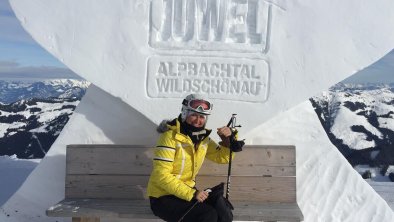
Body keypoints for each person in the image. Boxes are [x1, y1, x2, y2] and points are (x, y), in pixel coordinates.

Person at [147, 94, 235, 222]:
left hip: (186, 194)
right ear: (184, 113)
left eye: (201, 117)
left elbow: (223, 157)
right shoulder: (169, 137)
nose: (197, 120)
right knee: (207, 215)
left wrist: (228, 140)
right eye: (193, 115)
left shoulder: (202, 139)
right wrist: (192, 193)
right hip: (162, 197)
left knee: (221, 212)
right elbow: (161, 175)